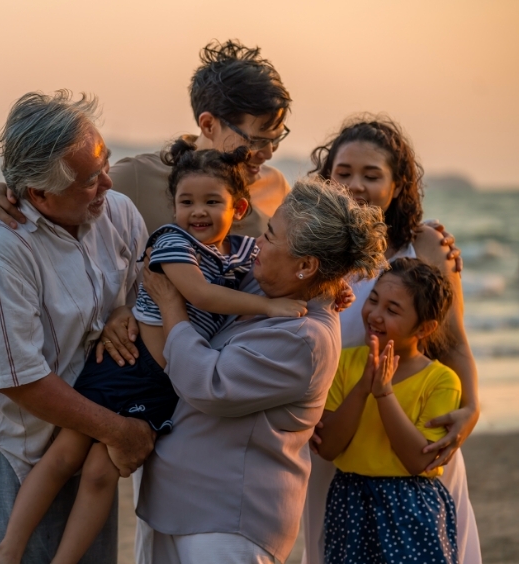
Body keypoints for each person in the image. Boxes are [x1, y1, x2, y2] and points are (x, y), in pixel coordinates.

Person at [0, 139, 306, 564]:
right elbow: (200, 294)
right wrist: (268, 307)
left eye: (212, 201)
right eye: (186, 201)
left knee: (101, 474)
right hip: (129, 363)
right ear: (173, 207)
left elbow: (286, 260)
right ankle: (8, 551)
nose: (198, 211)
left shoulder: (242, 253)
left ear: (240, 209)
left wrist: (331, 290)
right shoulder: (173, 242)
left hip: (164, 390)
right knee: (65, 455)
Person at [128, 178, 388, 564]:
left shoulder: (304, 337)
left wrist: (169, 306)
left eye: (269, 236)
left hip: (228, 520)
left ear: (305, 266)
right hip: (180, 505)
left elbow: (207, 384)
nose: (257, 244)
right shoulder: (263, 285)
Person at [0, 90, 155, 564]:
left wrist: (124, 313)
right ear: (39, 194)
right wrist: (119, 432)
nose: (107, 182)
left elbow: (149, 294)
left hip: (87, 445)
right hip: (16, 452)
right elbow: (19, 379)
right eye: (90, 180)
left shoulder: (118, 212)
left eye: (105, 163)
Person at [302, 115, 481, 563]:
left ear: (398, 185)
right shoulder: (312, 250)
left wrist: (471, 409)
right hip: (337, 437)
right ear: (327, 178)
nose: (356, 185)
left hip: (412, 431)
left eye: (371, 175)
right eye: (343, 173)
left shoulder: (425, 244)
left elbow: (453, 342)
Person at [0, 39, 293, 242]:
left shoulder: (276, 187)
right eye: (256, 141)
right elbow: (60, 195)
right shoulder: (138, 178)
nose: (267, 153)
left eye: (275, 140)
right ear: (208, 124)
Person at [318, 258, 460, 563]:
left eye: (392, 310)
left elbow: (418, 460)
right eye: (373, 300)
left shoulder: (441, 380)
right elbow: (328, 447)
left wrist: (384, 393)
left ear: (425, 328)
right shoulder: (344, 363)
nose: (375, 315)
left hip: (411, 503)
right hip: (350, 499)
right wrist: (362, 388)